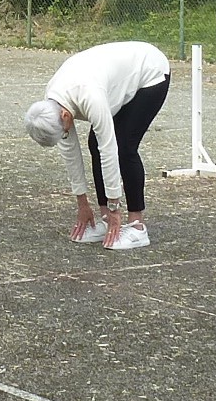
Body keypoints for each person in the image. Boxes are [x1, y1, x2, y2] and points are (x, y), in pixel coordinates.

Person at [26, 41, 172, 251]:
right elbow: (70, 151)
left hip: (151, 72)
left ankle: (137, 226)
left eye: (64, 130)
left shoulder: (89, 96)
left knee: (123, 147)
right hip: (113, 80)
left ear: (65, 115)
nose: (66, 134)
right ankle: (105, 222)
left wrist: (115, 208)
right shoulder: (51, 102)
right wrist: (82, 203)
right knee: (94, 144)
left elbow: (109, 150)